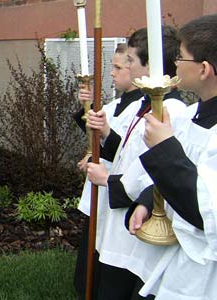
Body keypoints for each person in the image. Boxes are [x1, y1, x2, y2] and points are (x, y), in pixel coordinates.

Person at [82, 26, 186, 300]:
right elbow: (130, 153)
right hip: (118, 227)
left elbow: (157, 173)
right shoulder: (142, 103)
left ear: (150, 64)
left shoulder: (172, 112)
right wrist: (106, 132)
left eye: (130, 61)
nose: (126, 66)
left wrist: (107, 180)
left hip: (135, 230)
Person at [124, 14, 217, 299]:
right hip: (178, 259)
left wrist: (164, 148)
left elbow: (207, 209)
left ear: (203, 69)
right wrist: (147, 201)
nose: (174, 63)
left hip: (206, 272)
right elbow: (184, 172)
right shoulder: (190, 116)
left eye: (180, 56)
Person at [73, 43, 144, 300]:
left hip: (115, 190)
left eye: (118, 67)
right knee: (91, 250)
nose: (112, 73)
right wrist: (87, 105)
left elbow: (122, 148)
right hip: (102, 186)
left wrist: (99, 146)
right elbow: (99, 140)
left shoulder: (141, 109)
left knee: (105, 254)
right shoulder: (116, 105)